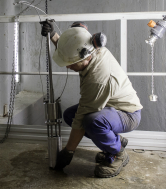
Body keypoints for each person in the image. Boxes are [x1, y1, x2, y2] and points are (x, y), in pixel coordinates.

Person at [41, 20, 143, 178]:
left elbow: (83, 115)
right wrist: (54, 36)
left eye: (71, 63)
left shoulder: (97, 77)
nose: (68, 66)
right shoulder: (90, 49)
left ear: (85, 59)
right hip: (107, 107)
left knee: (90, 121)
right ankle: (114, 141)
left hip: (127, 114)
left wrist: (68, 151)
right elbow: (74, 46)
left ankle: (118, 153)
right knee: (70, 115)